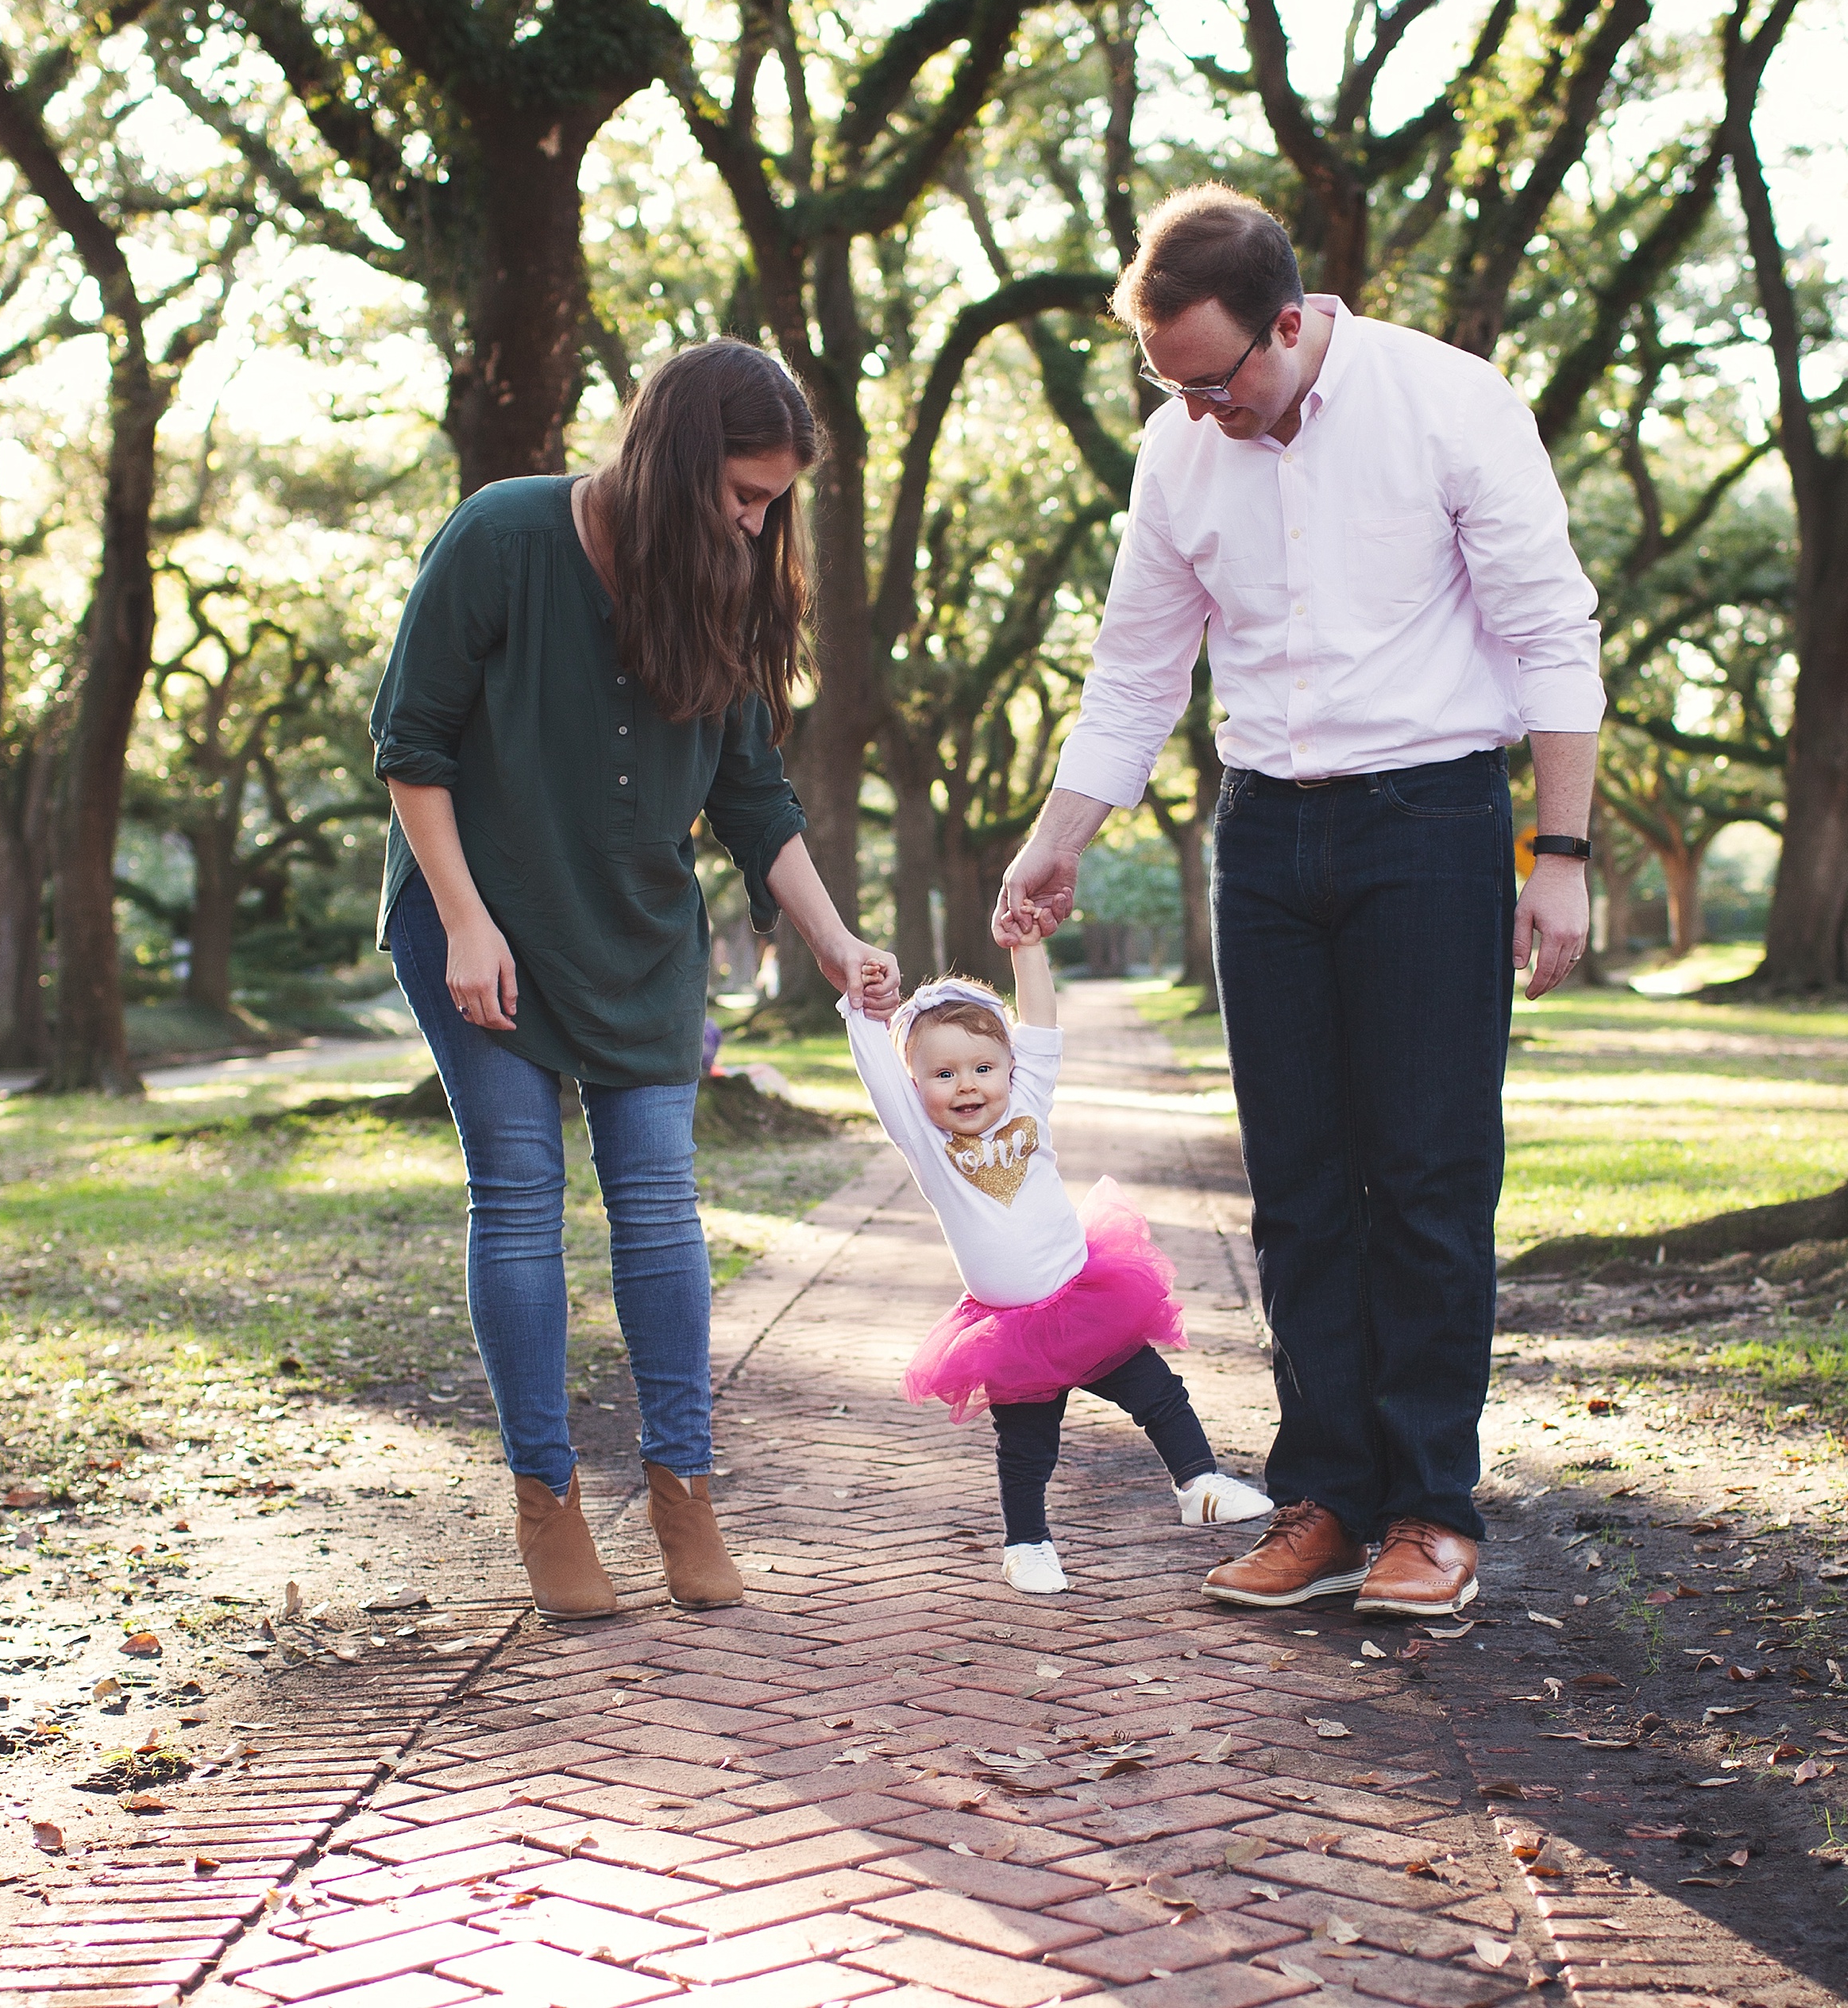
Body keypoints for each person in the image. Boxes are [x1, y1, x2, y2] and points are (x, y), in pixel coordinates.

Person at [997, 184, 1602, 1620]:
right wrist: (1056, 835)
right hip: (1262, 835)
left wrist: (1559, 853)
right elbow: (1139, 670)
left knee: (1429, 1175)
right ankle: (1325, 1497)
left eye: (1217, 378)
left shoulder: (1448, 404)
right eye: (1172, 386)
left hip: (1433, 818)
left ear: (1288, 320)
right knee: (1302, 1189)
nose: (1202, 411)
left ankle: (1430, 1514)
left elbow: (1550, 629)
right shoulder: (1178, 453)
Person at [370, 341, 898, 1620]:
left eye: (773, 500)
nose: (757, 521)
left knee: (659, 1206)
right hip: (480, 921)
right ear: (670, 461)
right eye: (742, 493)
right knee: (520, 1191)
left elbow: (751, 792)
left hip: (639, 935)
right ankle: (545, 1502)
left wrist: (835, 942)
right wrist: (463, 922)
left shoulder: (719, 579)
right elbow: (412, 742)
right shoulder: (503, 533)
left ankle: (683, 1493)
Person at [841, 927, 1271, 1596]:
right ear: (917, 1085)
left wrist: (1026, 946)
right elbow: (879, 1077)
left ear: (1009, 1070)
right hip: (1011, 1332)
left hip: (1086, 1301)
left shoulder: (1029, 1104)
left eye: (983, 1068)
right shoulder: (924, 1143)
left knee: (1160, 1395)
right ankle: (1027, 1545)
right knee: (1027, 1449)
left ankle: (1198, 1482)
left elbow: (1040, 1025)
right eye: (943, 1074)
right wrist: (863, 1011)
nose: (967, 1087)